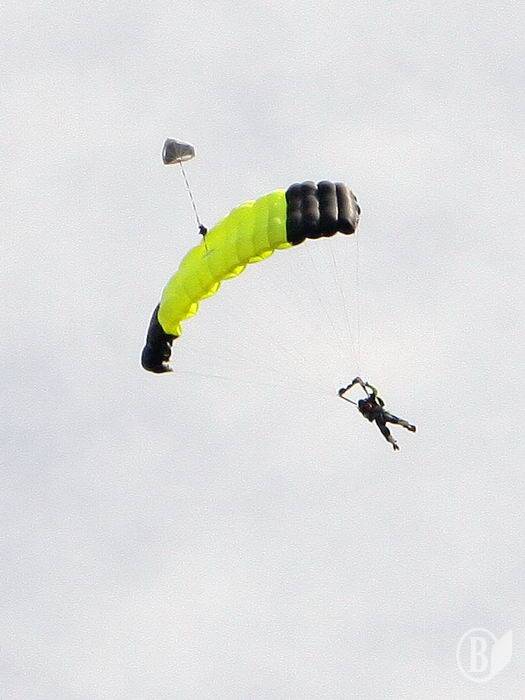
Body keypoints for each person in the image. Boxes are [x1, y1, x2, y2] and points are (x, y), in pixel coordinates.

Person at [338, 377, 416, 451]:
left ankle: (408, 425)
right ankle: (393, 442)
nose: (368, 407)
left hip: (382, 414)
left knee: (395, 420)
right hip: (379, 419)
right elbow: (368, 417)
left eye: (368, 405)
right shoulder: (364, 411)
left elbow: (375, 391)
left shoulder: (370, 400)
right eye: (366, 407)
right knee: (385, 431)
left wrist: (368, 385)